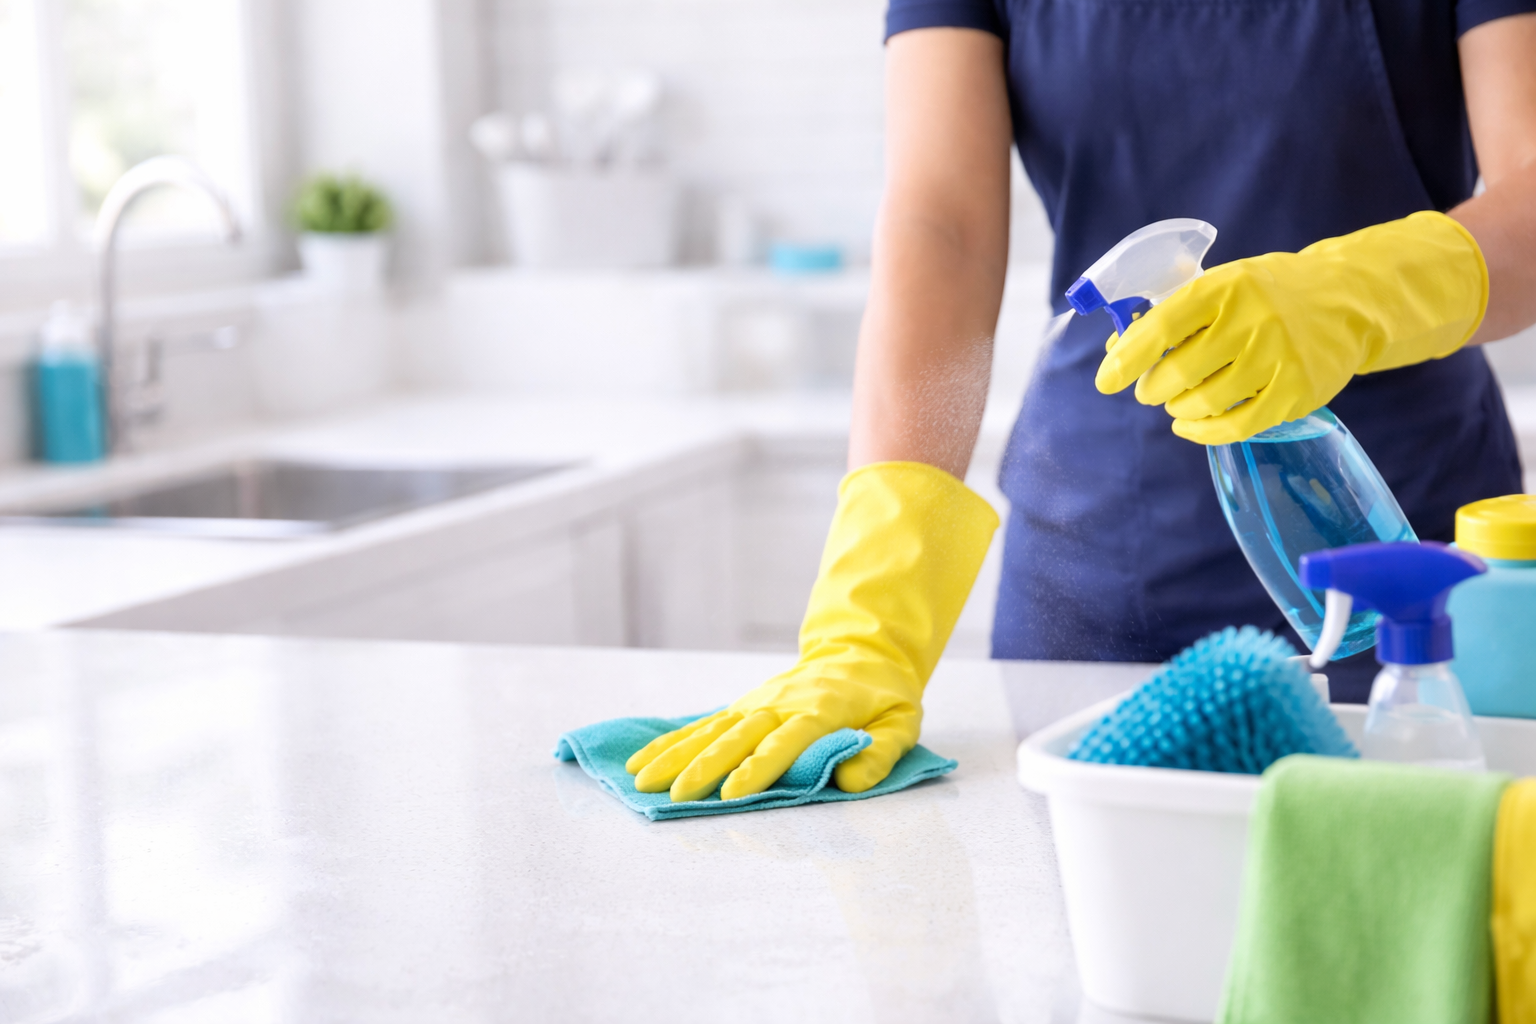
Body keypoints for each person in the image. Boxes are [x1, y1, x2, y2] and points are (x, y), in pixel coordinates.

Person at [626, 1, 1536, 802]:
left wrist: (1351, 296)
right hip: (1098, 565)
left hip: (1408, 566)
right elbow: (944, 229)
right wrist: (870, 614)